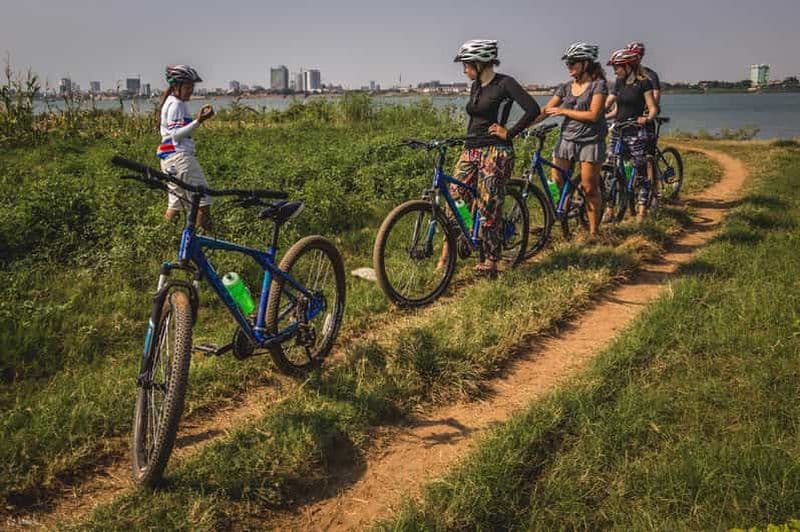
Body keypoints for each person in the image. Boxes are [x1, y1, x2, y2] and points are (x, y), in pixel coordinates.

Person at [442, 39, 540, 275]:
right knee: (455, 196)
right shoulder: (476, 86)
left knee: (488, 204)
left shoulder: (505, 83)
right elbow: (475, 118)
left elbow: (533, 109)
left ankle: (492, 259)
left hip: (496, 151)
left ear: (481, 63)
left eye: (467, 65)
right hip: (472, 148)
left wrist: (510, 133)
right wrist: (466, 141)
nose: (464, 70)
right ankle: (466, 238)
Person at [538, 42, 607, 238]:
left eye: (573, 62)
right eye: (567, 63)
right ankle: (562, 213)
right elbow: (546, 110)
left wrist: (563, 111)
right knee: (556, 181)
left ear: (586, 63)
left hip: (590, 141)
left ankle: (593, 232)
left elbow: (593, 115)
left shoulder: (598, 85)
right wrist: (520, 127)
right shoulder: (565, 87)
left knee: (589, 187)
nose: (569, 66)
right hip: (567, 140)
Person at [157, 64, 215, 230]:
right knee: (203, 198)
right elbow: (176, 134)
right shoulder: (177, 105)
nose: (191, 91)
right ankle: (201, 239)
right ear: (177, 86)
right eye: (188, 87)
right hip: (180, 158)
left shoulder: (170, 102)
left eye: (192, 87)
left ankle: (163, 238)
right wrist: (199, 121)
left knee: (175, 204)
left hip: (169, 159)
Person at [604, 48, 658, 222]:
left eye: (617, 67)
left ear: (629, 66)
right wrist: (600, 115)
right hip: (618, 130)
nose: (615, 71)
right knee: (610, 168)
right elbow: (614, 108)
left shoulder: (644, 83)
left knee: (640, 170)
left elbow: (653, 108)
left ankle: (642, 209)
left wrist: (646, 118)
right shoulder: (619, 83)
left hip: (635, 131)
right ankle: (610, 209)